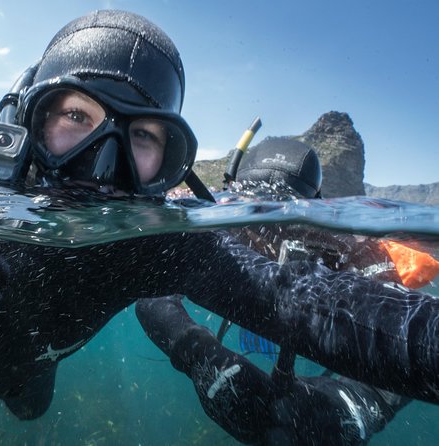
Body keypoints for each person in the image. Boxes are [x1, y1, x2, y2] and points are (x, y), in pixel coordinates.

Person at [0, 10, 439, 442]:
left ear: (167, 165)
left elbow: (321, 309)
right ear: (26, 120)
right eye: (75, 115)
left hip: (26, 376)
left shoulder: (154, 247)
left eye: (143, 138)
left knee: (30, 402)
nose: (101, 165)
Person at [137, 137, 425, 445]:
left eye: (288, 225)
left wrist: (352, 404)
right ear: (232, 200)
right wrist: (201, 356)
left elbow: (407, 336)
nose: (271, 242)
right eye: (255, 221)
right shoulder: (213, 223)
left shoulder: (347, 249)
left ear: (315, 214)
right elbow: (152, 293)